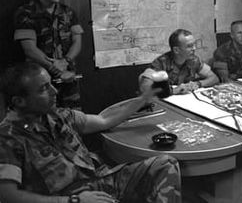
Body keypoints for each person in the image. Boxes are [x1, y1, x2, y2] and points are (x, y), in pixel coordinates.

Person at [0, 62, 182, 203]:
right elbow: (8, 196)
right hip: (70, 197)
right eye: (43, 89)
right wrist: (73, 201)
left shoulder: (57, 115)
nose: (54, 91)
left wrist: (143, 99)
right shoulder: (8, 137)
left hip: (99, 180)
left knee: (165, 163)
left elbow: (104, 121)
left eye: (50, 84)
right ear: (19, 101)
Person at [14, 0, 83, 109]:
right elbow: (29, 49)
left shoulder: (68, 12)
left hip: (68, 78)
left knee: (73, 118)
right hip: (41, 83)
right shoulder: (26, 13)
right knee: (46, 120)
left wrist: (66, 61)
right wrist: (54, 67)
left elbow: (77, 41)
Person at [139, 29, 219, 94]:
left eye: (194, 45)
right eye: (189, 46)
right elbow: (145, 87)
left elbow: (214, 78)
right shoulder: (161, 63)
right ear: (176, 50)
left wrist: (198, 84)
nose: (194, 48)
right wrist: (173, 91)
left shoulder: (194, 60)